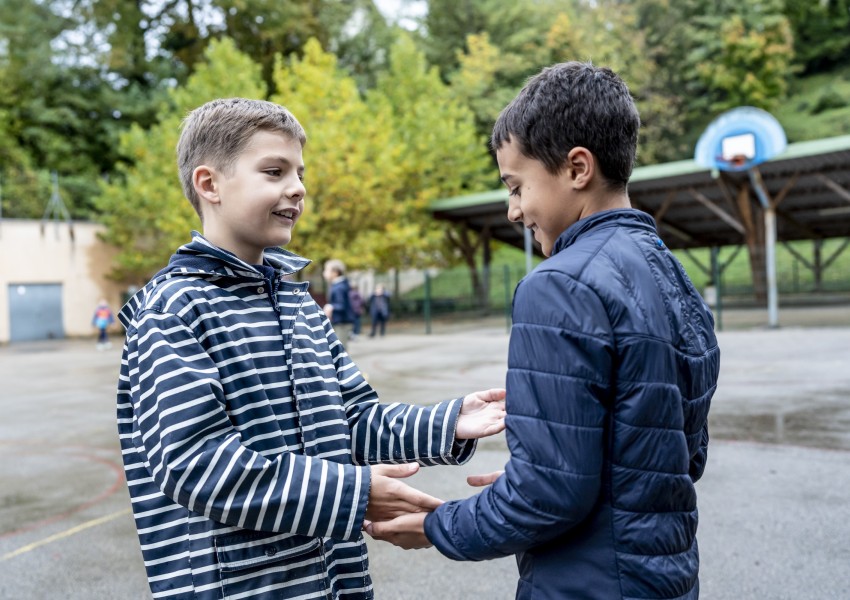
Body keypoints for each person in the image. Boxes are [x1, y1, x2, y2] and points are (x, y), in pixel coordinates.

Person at [114, 98, 507, 600]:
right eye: (274, 171)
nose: (297, 187)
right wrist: (355, 493)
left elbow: (352, 420)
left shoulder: (298, 305)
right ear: (209, 184)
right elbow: (197, 463)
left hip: (335, 581)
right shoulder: (172, 308)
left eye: (299, 173)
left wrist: (448, 422)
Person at [366, 62, 720, 600]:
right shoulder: (670, 273)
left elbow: (550, 494)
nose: (513, 211)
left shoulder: (559, 285)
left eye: (517, 187)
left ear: (577, 168)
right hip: (666, 578)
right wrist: (526, 485)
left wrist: (439, 526)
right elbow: (680, 456)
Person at [322, 258, 355, 341]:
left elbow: (341, 305)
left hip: (342, 322)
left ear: (335, 273)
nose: (324, 273)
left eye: (326, 270)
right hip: (340, 321)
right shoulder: (339, 285)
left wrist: (331, 307)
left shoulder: (339, 287)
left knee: (340, 346)